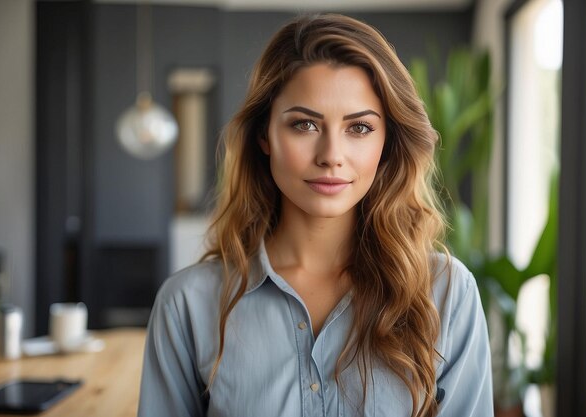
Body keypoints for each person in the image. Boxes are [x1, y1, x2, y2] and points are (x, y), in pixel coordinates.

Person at [137, 13, 493, 417]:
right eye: (304, 124)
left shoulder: (446, 295)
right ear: (264, 135)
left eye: (359, 128)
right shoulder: (187, 305)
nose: (331, 157)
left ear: (387, 143)